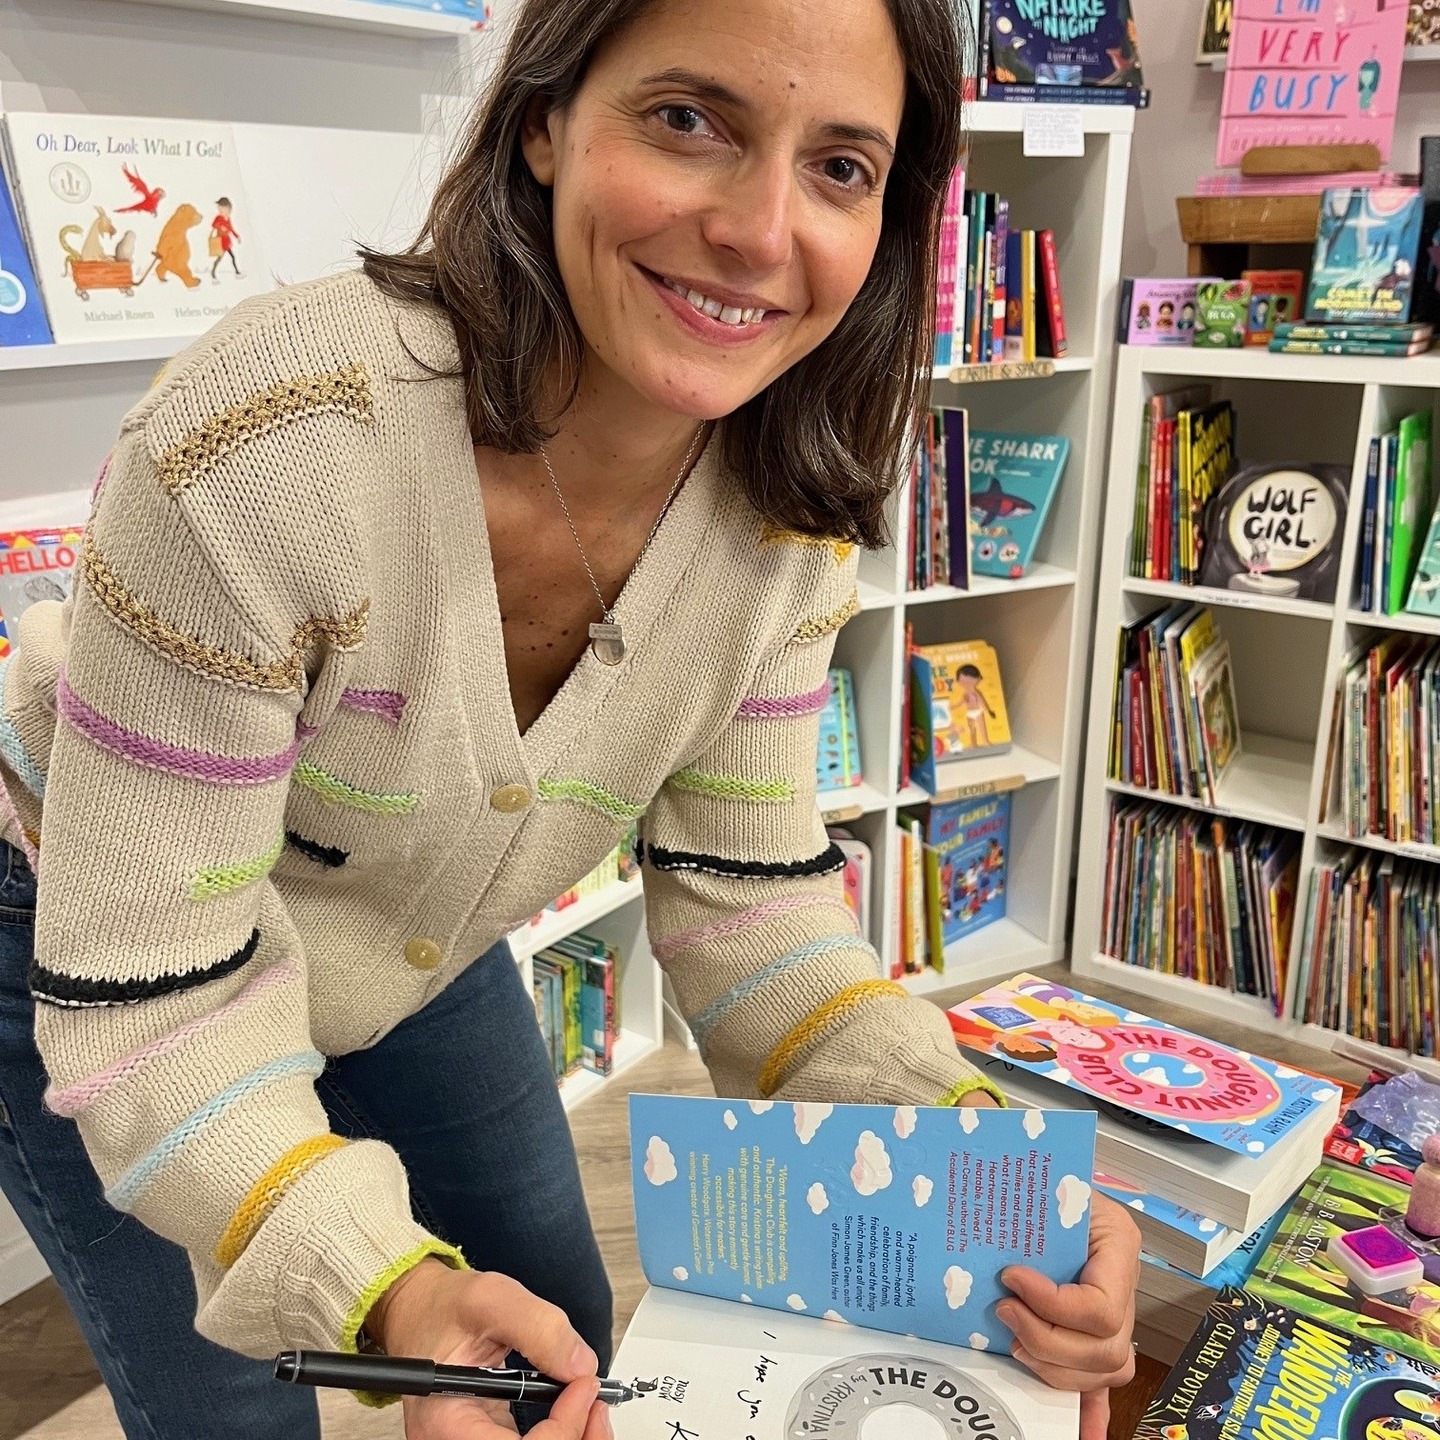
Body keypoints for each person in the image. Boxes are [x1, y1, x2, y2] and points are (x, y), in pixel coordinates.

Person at [0, 1, 1141, 1437]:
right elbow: (159, 1003)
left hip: (418, 936)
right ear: (543, 118)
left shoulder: (788, 510)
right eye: (690, 120)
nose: (759, 228)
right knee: (237, 1410)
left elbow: (753, 903)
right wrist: (390, 1295)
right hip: (91, 936)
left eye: (842, 166)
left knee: (560, 1334)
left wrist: (999, 1171)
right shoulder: (263, 445)